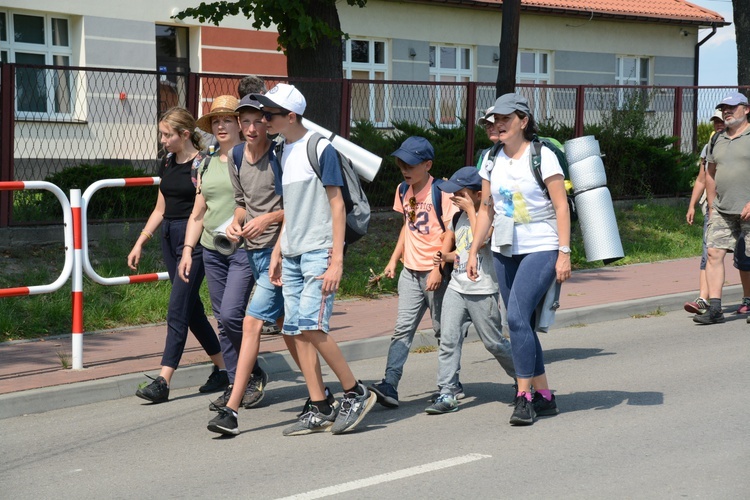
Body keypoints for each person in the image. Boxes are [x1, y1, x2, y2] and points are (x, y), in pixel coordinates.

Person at [206, 95, 331, 435]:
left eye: (256, 121)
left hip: (282, 254)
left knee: (251, 323)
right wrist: (236, 223)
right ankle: (321, 397)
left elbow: (300, 206)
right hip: (253, 253)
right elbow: (242, 204)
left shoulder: (280, 155)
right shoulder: (235, 157)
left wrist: (270, 221)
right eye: (243, 122)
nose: (249, 128)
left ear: (268, 123)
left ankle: (232, 409)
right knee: (292, 333)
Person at [256, 83, 376, 435]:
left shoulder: (319, 148)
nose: (264, 120)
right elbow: (290, 208)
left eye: (270, 115)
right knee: (295, 330)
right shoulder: (283, 151)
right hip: (292, 252)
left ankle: (355, 392)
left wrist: (336, 259)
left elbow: (337, 204)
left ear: (290, 116)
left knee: (311, 325)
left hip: (319, 251)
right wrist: (279, 250)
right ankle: (320, 405)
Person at [467, 93, 571, 426]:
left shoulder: (543, 156)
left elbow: (561, 207)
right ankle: (543, 395)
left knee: (514, 318)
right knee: (520, 323)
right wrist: (472, 251)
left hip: (541, 244)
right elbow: (486, 208)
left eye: (505, 119)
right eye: (493, 120)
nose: (497, 125)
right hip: (503, 245)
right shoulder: (489, 159)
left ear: (523, 121)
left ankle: (523, 396)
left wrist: (565, 253)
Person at [129, 107, 227, 403]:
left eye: (167, 134)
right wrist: (140, 241)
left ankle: (163, 380)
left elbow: (204, 207)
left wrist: (189, 241)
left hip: (192, 239)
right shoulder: (168, 161)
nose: (162, 140)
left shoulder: (202, 164)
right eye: (162, 134)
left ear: (185, 135)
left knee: (177, 308)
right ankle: (225, 368)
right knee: (191, 308)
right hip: (169, 235)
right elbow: (160, 208)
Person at [177, 95, 268, 415]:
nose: (220, 126)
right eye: (216, 122)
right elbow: (198, 212)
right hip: (211, 249)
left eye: (227, 120)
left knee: (231, 314)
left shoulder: (251, 158)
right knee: (222, 319)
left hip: (243, 249)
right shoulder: (205, 162)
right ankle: (238, 379)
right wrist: (188, 250)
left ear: (240, 127)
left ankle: (249, 371)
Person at [368, 136, 459, 408]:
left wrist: (437, 269)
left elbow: (450, 234)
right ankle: (390, 385)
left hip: (436, 273)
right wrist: (393, 259)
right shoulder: (402, 190)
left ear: (427, 164)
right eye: (401, 164)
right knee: (402, 330)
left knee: (444, 332)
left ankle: (450, 386)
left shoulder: (441, 192)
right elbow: (407, 227)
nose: (405, 169)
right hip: (410, 271)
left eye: (411, 164)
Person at [426, 166, 516, 415]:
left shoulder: (492, 215)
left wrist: (471, 211)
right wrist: (446, 256)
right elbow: (464, 251)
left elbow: (482, 240)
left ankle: (526, 378)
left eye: (460, 192)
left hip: (483, 289)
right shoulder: (458, 218)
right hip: (457, 285)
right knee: (448, 340)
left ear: (478, 194)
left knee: (494, 343)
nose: (454, 197)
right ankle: (447, 391)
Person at [699, 92, 750, 324]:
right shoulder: (716, 139)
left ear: (746, 109)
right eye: (724, 108)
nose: (726, 111)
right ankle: (716, 310)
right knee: (713, 253)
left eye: (731, 107)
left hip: (748, 208)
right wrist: (711, 206)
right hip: (722, 209)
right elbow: (710, 173)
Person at [685, 110, 725, 315]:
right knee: (708, 253)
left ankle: (747, 296)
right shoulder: (708, 147)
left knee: (745, 256)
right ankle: (703, 298)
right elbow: (702, 179)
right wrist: (692, 205)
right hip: (713, 209)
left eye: (722, 120)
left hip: (740, 207)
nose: (719, 124)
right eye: (715, 121)